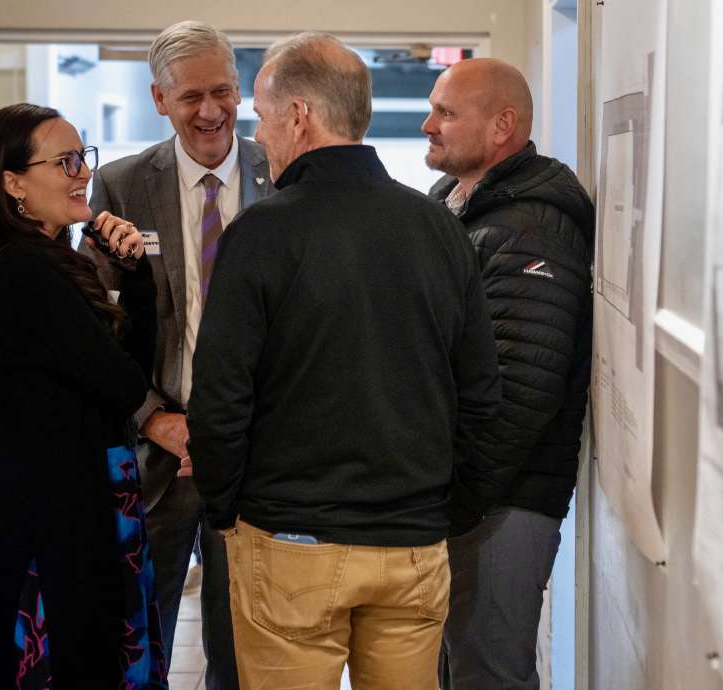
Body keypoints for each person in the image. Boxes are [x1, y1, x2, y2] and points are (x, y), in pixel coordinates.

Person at [187, 32, 508, 690]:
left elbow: (219, 400)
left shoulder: (260, 233)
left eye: (264, 118)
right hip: (414, 547)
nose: (262, 135)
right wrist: (446, 512)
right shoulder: (439, 228)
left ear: (299, 116)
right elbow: (480, 394)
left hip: (291, 540)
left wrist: (223, 511)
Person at [0, 103, 165, 689]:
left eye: (82, 157)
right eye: (64, 162)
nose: (83, 172)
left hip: (62, 512)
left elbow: (118, 381)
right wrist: (131, 287)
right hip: (51, 527)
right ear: (13, 182)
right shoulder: (24, 275)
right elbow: (125, 385)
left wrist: (132, 280)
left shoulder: (41, 265)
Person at [86, 21, 272, 689]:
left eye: (223, 90)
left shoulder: (281, 175)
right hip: (159, 455)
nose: (212, 111)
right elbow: (95, 330)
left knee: (247, 648)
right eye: (191, 96)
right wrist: (153, 420)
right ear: (160, 100)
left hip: (259, 458)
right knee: (140, 637)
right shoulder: (120, 187)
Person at [422, 58, 596, 690]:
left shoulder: (533, 228)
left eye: (446, 113)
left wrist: (456, 504)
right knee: (456, 664)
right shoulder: (454, 202)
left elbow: (521, 393)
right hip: (464, 492)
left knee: (488, 671)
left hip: (502, 501)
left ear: (502, 126)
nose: (427, 125)